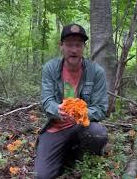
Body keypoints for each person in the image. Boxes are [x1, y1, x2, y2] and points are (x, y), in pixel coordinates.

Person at [35, 23, 109, 179]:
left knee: (98, 134)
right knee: (43, 175)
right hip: (56, 127)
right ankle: (64, 155)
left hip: (81, 126)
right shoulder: (50, 68)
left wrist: (80, 114)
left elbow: (101, 109)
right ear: (61, 46)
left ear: (84, 47)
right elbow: (47, 101)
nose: (74, 50)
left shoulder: (96, 72)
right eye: (69, 45)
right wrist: (58, 110)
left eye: (78, 45)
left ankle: (78, 156)